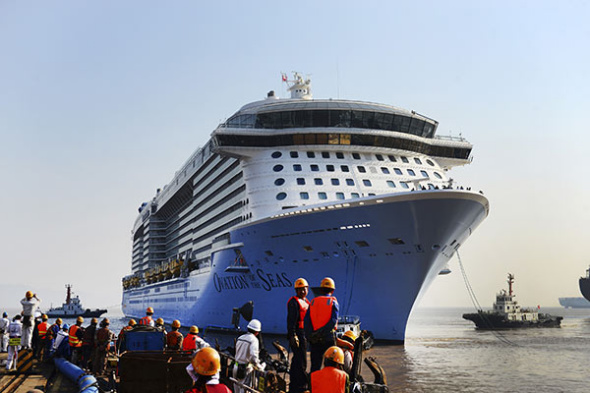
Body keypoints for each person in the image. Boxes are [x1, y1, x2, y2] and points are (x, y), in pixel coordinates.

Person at [304, 277, 339, 372]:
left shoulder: (313, 302)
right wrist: (322, 333)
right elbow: (333, 321)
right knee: (331, 366)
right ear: (332, 290)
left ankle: (313, 385)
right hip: (328, 338)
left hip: (315, 339)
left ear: (321, 289)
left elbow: (307, 321)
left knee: (315, 366)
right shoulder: (333, 302)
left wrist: (311, 335)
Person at [287, 277, 311, 393]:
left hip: (304, 333)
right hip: (298, 333)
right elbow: (291, 320)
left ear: (307, 289)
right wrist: (293, 335)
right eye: (300, 289)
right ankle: (300, 385)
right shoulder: (294, 302)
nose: (302, 291)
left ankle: (296, 384)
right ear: (296, 290)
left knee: (298, 360)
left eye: (304, 289)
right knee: (300, 360)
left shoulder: (306, 302)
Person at [233, 319, 265, 393]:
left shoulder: (240, 338)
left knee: (236, 389)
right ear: (257, 332)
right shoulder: (253, 340)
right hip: (245, 369)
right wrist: (259, 367)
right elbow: (253, 356)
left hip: (236, 366)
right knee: (244, 389)